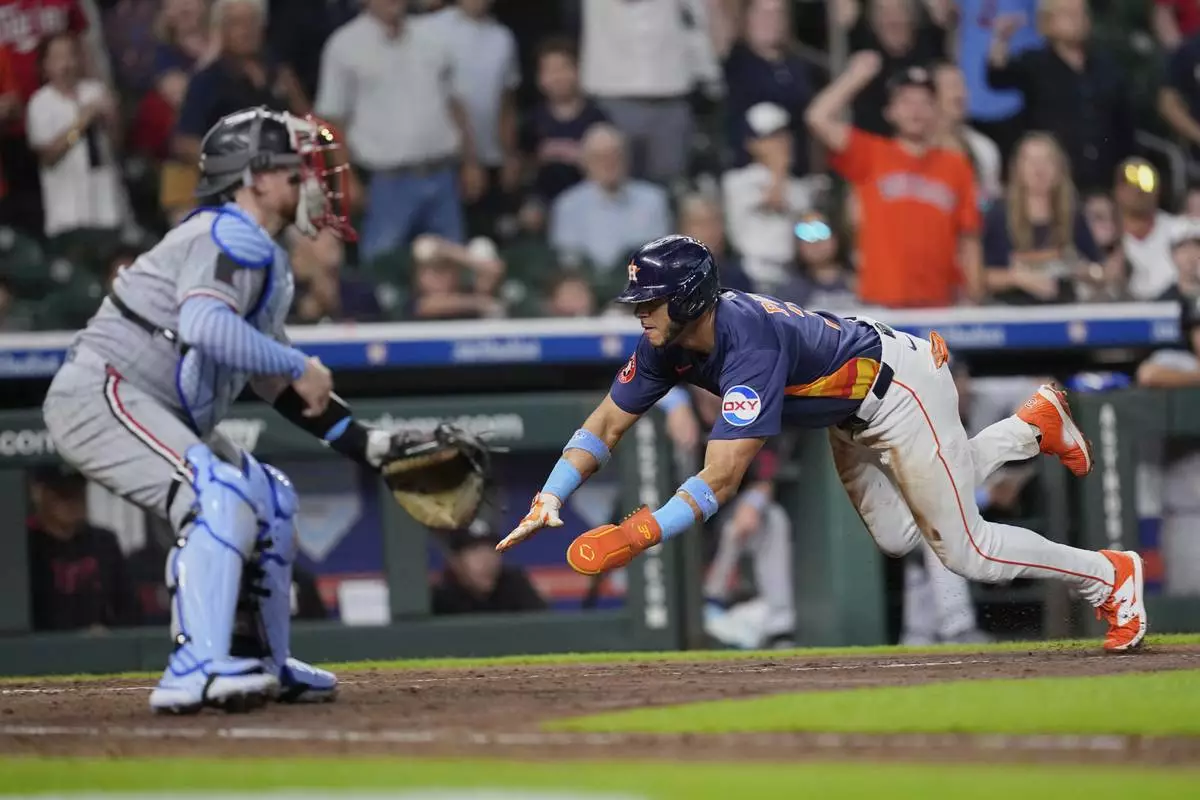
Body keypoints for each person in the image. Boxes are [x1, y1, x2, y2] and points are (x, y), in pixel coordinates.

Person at [497, 235, 1148, 654]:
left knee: (966, 549)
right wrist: (551, 494)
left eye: (651, 300)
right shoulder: (665, 343)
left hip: (898, 389)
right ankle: (1030, 427)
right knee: (899, 535)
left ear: (690, 298)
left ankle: (1109, 576)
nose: (640, 311)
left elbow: (722, 477)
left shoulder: (747, 343)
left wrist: (641, 533)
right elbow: (606, 424)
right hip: (851, 412)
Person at [40, 106, 432, 713]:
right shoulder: (227, 233)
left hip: (148, 403)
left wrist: (366, 443)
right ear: (256, 178)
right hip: (103, 392)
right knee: (215, 493)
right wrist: (298, 363)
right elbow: (206, 327)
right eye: (295, 171)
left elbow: (272, 377)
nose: (310, 181)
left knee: (270, 498)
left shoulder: (261, 254)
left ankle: (258, 662)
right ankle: (194, 667)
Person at [805, 52, 983, 308]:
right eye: (906, 102)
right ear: (890, 111)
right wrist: (856, 76)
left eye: (925, 102)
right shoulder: (870, 153)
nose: (916, 110)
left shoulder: (957, 165)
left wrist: (974, 297)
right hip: (881, 301)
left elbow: (969, 237)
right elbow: (817, 117)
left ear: (937, 110)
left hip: (940, 302)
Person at [985, 0, 1134, 194]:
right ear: (1048, 22)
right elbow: (997, 77)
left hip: (1104, 184)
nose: (1077, 20)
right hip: (1053, 184)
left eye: (1081, 13)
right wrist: (1001, 39)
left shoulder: (1107, 68)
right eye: (1068, 14)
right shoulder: (1035, 64)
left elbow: (1124, 127)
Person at [982, 132, 1105, 304]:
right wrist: (1017, 278)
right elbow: (980, 276)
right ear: (1018, 168)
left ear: (1059, 168)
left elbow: (1099, 270)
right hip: (1010, 310)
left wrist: (1081, 270)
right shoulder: (998, 214)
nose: (1039, 169)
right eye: (1031, 161)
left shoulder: (1073, 214)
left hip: (1063, 309)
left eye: (1046, 161)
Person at [25, 31, 124, 238]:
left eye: (70, 55)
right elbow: (49, 156)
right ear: (45, 65)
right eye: (58, 58)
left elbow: (117, 144)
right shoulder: (40, 103)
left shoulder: (95, 91)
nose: (66, 64)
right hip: (69, 216)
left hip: (108, 206)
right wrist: (81, 123)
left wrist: (112, 119)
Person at [26, 463, 139, 632]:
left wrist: (110, 633)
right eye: (63, 494)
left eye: (78, 491)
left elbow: (129, 607)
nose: (73, 501)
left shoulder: (103, 542)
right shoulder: (26, 545)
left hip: (98, 642)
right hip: (44, 644)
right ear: (40, 494)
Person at [431, 518, 546, 615]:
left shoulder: (514, 586)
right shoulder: (440, 599)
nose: (487, 561)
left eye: (492, 550)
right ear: (455, 561)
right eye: (476, 551)